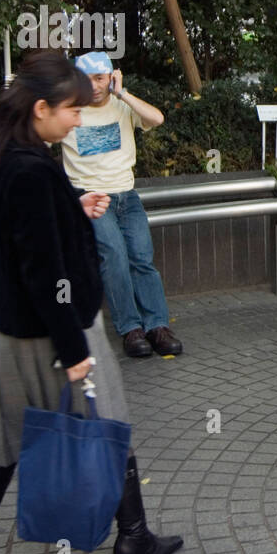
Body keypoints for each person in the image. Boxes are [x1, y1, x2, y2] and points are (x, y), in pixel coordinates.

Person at [0, 52, 181, 554]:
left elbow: (24, 238)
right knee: (111, 424)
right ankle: (134, 536)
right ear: (42, 108)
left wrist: (72, 205)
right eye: (71, 109)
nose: (78, 118)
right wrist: (74, 351)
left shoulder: (10, 161)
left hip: (9, 334)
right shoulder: (32, 170)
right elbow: (46, 271)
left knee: (3, 439)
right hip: (58, 334)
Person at [59, 52, 183, 359]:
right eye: (86, 79)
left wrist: (123, 93)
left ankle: (157, 326)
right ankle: (130, 330)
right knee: (113, 257)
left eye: (100, 78)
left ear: (111, 76)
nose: (95, 86)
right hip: (93, 197)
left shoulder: (122, 105)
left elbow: (157, 119)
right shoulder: (69, 111)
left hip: (127, 196)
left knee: (142, 258)